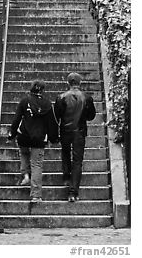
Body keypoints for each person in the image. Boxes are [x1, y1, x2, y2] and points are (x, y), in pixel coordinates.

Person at [8, 80, 59, 203]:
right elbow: (52, 123)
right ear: (43, 90)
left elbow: (17, 118)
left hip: (24, 135)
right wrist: (54, 138)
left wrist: (12, 133)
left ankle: (25, 174)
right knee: (37, 164)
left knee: (24, 153)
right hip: (39, 138)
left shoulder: (25, 101)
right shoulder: (47, 104)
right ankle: (36, 195)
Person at [54, 72, 96, 202]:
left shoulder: (61, 97)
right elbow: (91, 116)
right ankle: (73, 192)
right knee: (77, 161)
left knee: (65, 152)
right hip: (79, 131)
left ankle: (66, 176)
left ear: (68, 83)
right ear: (80, 83)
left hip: (65, 130)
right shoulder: (86, 97)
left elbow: (56, 116)